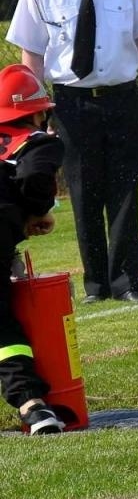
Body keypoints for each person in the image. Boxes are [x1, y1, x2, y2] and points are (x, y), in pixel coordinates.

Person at [6, 0, 138, 303]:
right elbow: (33, 59)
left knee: (124, 191)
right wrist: (34, 116)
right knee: (84, 193)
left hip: (121, 98)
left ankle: (127, 282)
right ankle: (97, 284)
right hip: (71, 105)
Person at [0, 65, 70, 433]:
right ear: (38, 113)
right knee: (5, 331)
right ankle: (33, 406)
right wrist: (37, 211)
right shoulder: (38, 142)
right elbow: (34, 179)